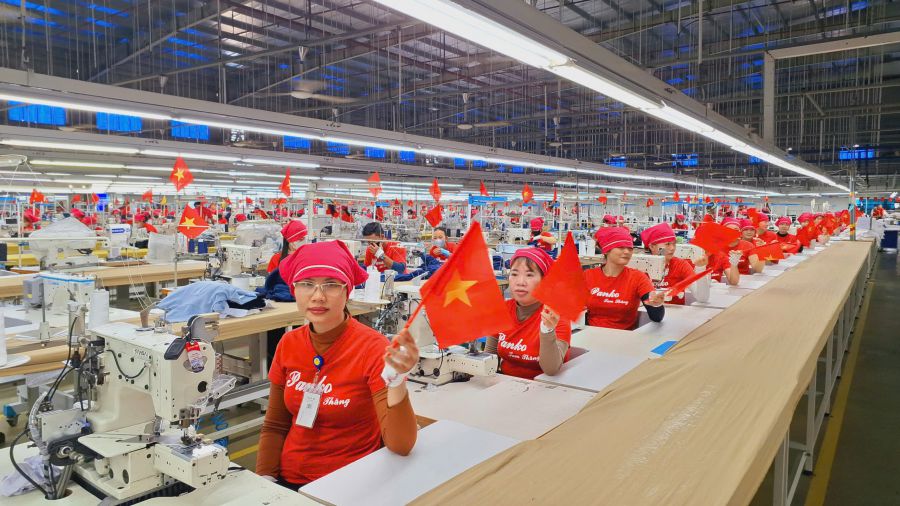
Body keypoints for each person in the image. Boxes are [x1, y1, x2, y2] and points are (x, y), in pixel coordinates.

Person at [257, 240, 418, 489]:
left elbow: (401, 445)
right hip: (290, 478)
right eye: (307, 284)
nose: (318, 296)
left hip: (350, 483)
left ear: (347, 291)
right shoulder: (288, 343)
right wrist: (265, 480)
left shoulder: (371, 348)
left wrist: (397, 382)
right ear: (294, 289)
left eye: (331, 285)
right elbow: (275, 425)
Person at [484, 248, 570, 379]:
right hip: (503, 386)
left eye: (529, 275)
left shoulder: (556, 316)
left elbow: (551, 369)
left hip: (546, 389)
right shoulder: (501, 311)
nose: (520, 282)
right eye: (514, 274)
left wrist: (547, 330)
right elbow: (488, 359)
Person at [584, 227, 665, 330]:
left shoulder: (638, 278)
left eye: (630, 248)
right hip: (589, 335)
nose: (627, 252)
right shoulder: (587, 276)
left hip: (624, 338)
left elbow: (657, 317)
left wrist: (656, 305)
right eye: (621, 247)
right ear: (606, 250)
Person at [641, 223, 708, 305]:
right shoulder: (641, 266)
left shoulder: (681, 265)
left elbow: (702, 298)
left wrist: (701, 268)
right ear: (652, 247)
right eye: (667, 244)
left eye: (674, 244)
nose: (672, 248)